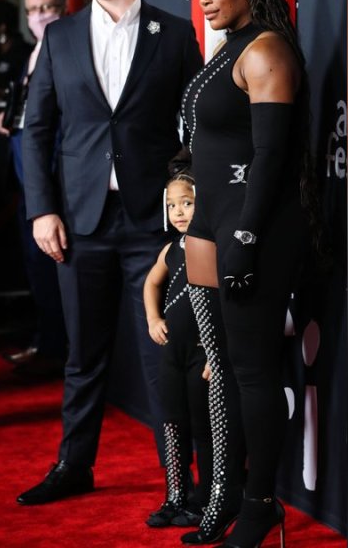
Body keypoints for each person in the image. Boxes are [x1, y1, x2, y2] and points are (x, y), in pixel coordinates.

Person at [15, 0, 203, 506]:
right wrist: (42, 209)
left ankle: (179, 482)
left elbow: (193, 123)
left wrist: (183, 195)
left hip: (152, 225)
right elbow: (38, 130)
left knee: (162, 356)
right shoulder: (62, 37)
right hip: (81, 222)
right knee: (83, 355)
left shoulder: (172, 34)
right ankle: (75, 465)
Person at [180, 0, 312, 546]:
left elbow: (272, 159)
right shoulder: (227, 48)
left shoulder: (265, 49)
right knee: (223, 371)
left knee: (254, 374)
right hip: (210, 224)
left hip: (250, 230)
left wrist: (247, 237)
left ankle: (261, 505)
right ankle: (226, 491)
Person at [0, 0, 69, 369]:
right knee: (35, 269)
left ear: (64, 6)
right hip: (26, 179)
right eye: (32, 9)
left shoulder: (70, 47)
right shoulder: (32, 52)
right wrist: (9, 118)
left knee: (52, 269)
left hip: (54, 180)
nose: (39, 16)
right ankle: (46, 342)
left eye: (47, 7)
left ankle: (55, 348)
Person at [143, 169, 212, 528]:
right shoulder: (171, 250)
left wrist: (216, 354)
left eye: (187, 202)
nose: (179, 211)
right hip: (172, 354)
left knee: (204, 426)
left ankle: (206, 497)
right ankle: (175, 494)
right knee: (173, 423)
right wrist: (153, 319)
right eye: (172, 205)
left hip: (202, 354)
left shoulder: (213, 247)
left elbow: (227, 305)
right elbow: (151, 283)